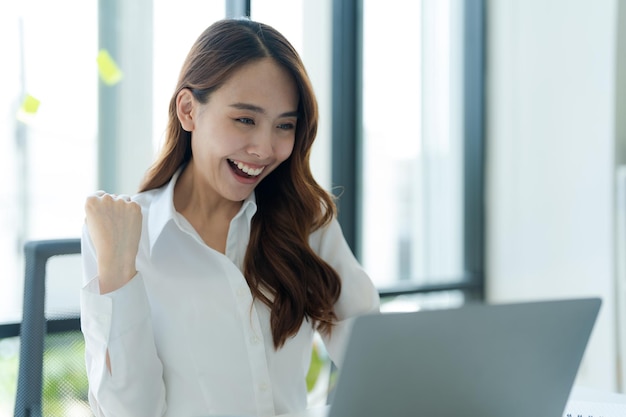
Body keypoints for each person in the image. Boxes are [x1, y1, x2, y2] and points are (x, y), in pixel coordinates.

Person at [80, 17, 380, 417]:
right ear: (188, 111)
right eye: (245, 119)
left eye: (284, 126)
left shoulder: (306, 223)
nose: (264, 148)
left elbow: (377, 362)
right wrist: (118, 273)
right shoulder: (124, 235)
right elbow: (130, 412)